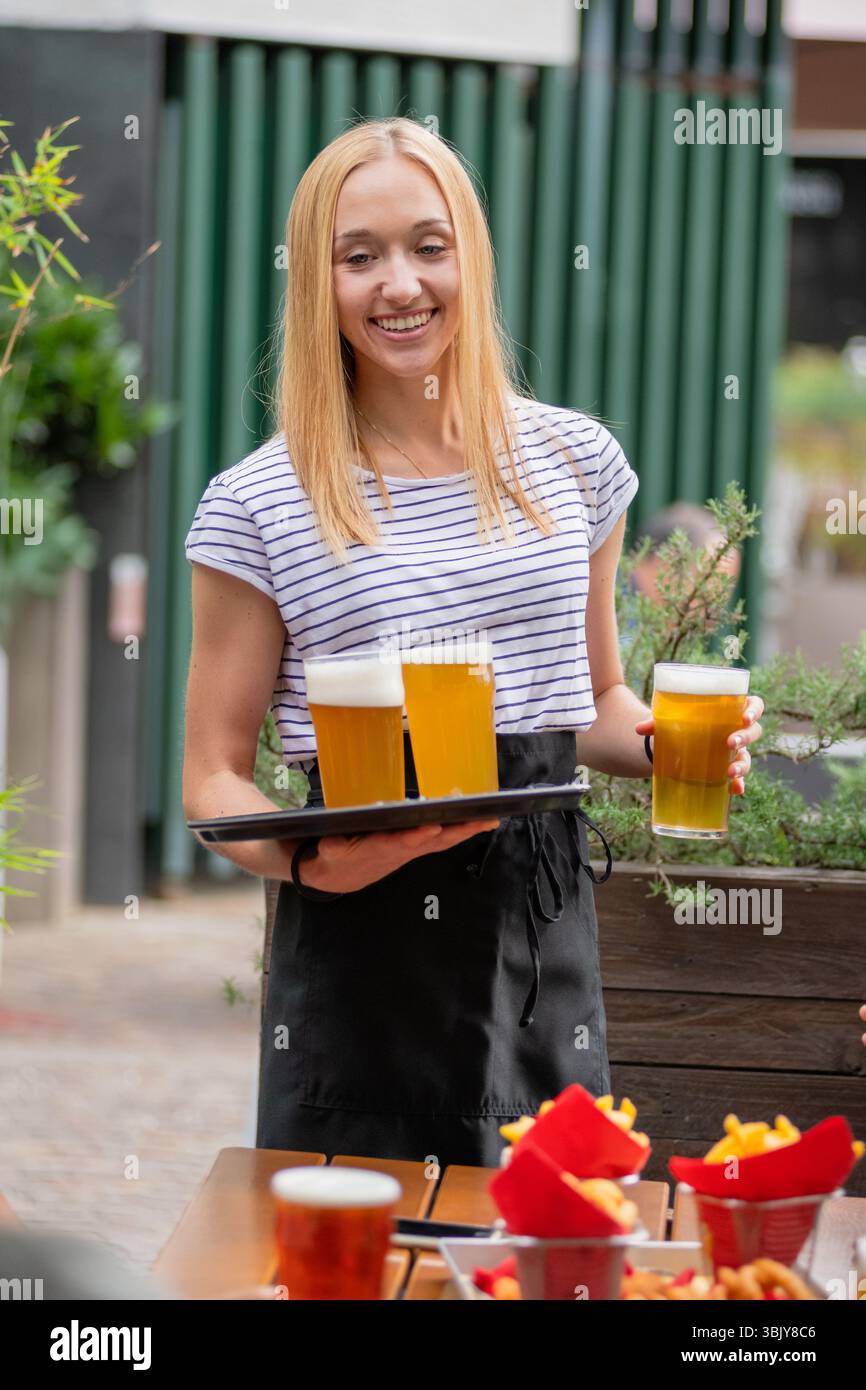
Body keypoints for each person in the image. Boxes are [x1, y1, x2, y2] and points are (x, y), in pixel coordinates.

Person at [182, 117, 764, 1168]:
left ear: (470, 258)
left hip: (540, 929)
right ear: (319, 283)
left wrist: (671, 746)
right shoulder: (257, 503)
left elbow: (590, 702)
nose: (398, 282)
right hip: (360, 932)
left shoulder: (574, 461)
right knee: (363, 1261)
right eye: (359, 257)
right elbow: (213, 779)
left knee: (548, 1248)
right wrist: (316, 863)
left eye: (426, 245)